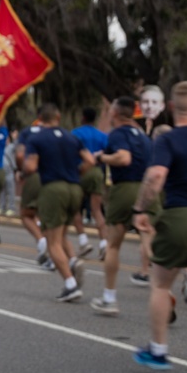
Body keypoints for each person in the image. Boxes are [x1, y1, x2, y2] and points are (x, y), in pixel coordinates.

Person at [132, 81, 187, 370]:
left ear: (170, 107)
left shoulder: (168, 139)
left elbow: (156, 176)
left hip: (181, 215)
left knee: (160, 284)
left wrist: (140, 209)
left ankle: (158, 351)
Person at [89, 97, 155, 316]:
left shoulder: (118, 134)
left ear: (115, 114)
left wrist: (102, 157)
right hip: (148, 190)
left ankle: (109, 298)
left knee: (113, 245)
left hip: (125, 189)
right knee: (149, 240)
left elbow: (123, 158)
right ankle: (162, 293)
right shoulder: (144, 137)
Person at [21, 104, 94, 302]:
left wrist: (25, 170)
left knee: (52, 240)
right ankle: (73, 260)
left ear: (39, 119)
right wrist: (77, 172)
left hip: (53, 188)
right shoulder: (73, 137)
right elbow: (90, 160)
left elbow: (31, 165)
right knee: (61, 233)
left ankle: (70, 284)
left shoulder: (36, 139)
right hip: (74, 188)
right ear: (59, 116)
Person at [71, 107, 109, 259]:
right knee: (97, 210)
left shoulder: (76, 133)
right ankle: (104, 244)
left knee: (75, 209)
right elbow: (107, 152)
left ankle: (83, 241)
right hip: (97, 172)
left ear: (83, 117)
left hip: (81, 170)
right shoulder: (102, 135)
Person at [15, 120, 51, 268]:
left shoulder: (27, 133)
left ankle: (41, 241)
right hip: (54, 177)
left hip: (35, 174)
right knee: (48, 215)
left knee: (26, 213)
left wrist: (21, 172)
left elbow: (20, 155)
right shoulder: (59, 133)